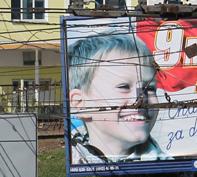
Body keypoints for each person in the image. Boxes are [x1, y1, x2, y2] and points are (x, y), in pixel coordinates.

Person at [68, 32, 168, 164]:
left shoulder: (167, 164)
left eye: (149, 89)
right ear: (81, 103)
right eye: (124, 87)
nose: (140, 100)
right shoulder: (73, 159)